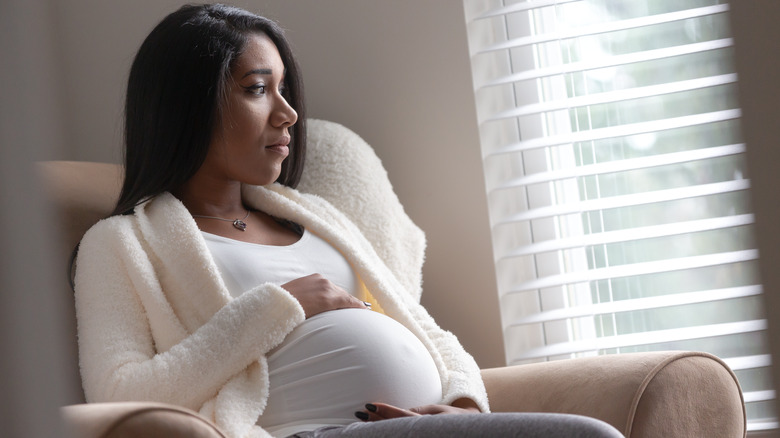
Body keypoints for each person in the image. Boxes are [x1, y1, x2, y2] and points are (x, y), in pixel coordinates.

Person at [72, 4, 623, 438]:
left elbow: (425, 329)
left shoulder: (319, 219)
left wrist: (461, 407)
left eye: (284, 89)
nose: (288, 113)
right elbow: (122, 398)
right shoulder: (121, 244)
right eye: (258, 89)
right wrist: (283, 303)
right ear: (186, 104)